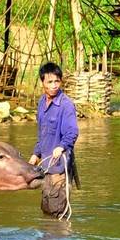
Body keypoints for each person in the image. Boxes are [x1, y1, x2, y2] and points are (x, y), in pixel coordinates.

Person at [28, 62, 79, 217]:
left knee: (58, 210)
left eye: (57, 81)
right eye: (50, 82)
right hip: (46, 165)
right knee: (46, 207)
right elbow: (42, 133)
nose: (54, 85)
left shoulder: (66, 105)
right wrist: (36, 154)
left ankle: (61, 239)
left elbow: (72, 132)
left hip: (59, 166)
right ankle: (48, 239)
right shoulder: (42, 102)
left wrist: (62, 146)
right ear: (42, 82)